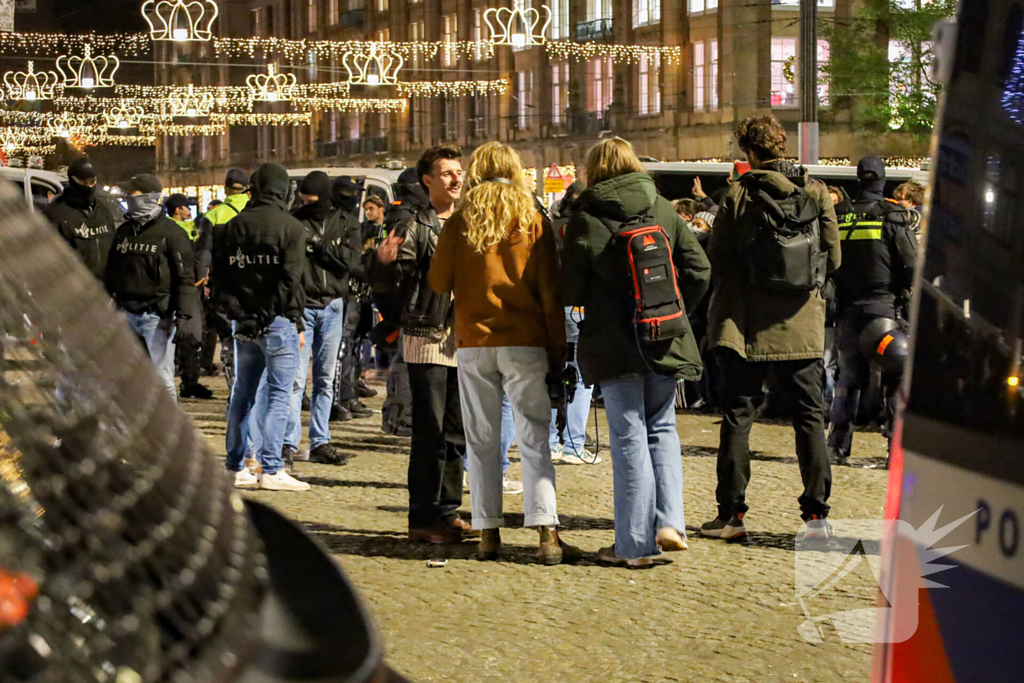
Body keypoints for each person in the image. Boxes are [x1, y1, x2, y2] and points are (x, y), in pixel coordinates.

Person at [429, 141, 580, 564]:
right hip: (525, 339)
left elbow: (439, 282)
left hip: (475, 341)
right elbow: (551, 293)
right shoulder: (532, 218)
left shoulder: (461, 221)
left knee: (480, 440)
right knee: (534, 436)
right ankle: (546, 531)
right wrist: (557, 351)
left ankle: (488, 533)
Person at [562, 138, 711, 568]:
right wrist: (678, 312)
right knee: (662, 429)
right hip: (663, 335)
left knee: (628, 438)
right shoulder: (662, 207)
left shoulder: (586, 216)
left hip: (613, 343)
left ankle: (633, 545)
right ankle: (670, 524)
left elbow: (569, 289)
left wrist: (587, 316)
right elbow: (699, 269)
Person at [700, 115, 840, 542]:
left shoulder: (738, 195)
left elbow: (717, 257)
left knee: (738, 418)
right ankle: (816, 518)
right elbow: (833, 257)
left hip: (745, 327)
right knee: (810, 420)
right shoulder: (816, 192)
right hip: (802, 325)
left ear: (749, 151)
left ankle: (731, 516)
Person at [372, 143, 477, 545]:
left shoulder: (469, 222)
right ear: (428, 180)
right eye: (447, 173)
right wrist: (382, 264)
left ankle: (448, 510)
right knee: (430, 432)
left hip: (464, 338)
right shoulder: (415, 224)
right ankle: (423, 516)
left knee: (457, 430)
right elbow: (392, 287)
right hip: (427, 338)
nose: (456, 179)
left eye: (459, 172)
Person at [211, 162, 309, 492]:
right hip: (277, 321)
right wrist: (267, 315)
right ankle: (272, 468)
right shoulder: (292, 228)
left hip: (245, 323)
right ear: (284, 190)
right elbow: (290, 280)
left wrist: (243, 315)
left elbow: (220, 280)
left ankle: (235, 465)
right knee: (279, 396)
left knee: (242, 395)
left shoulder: (231, 227)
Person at [828, 156, 917, 466]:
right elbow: (912, 265)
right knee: (894, 376)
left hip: (848, 316)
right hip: (884, 317)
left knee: (847, 381)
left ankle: (837, 446)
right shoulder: (892, 215)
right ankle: (895, 450)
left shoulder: (840, 215)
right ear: (881, 179)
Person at [284, 171, 360, 467]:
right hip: (303, 305)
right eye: (303, 200)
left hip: (333, 306)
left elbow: (350, 261)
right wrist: (331, 252)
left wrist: (316, 245)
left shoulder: (346, 222)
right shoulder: (294, 221)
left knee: (325, 379)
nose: (306, 204)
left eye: (311, 200)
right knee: (295, 380)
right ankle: (289, 443)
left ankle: (320, 440)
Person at [105, 174, 202, 401]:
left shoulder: (172, 233)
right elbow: (112, 271)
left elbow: (185, 277)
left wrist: (186, 316)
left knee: (161, 377)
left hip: (157, 316)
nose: (128, 197)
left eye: (133, 194)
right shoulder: (125, 231)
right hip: (125, 313)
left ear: (150, 197)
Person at [195, 169, 251, 395]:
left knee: (229, 341)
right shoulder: (257, 212)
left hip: (223, 288)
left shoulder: (214, 215)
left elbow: (203, 255)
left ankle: (236, 392)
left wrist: (200, 282)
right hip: (253, 290)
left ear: (226, 189)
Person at [331, 176, 376, 422]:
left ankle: (347, 395)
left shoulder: (349, 222)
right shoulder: (337, 222)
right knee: (342, 350)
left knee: (350, 347)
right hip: (340, 292)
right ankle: (340, 398)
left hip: (352, 293)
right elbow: (351, 261)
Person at [165, 193, 214, 400]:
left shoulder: (190, 227)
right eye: (186, 207)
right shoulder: (171, 229)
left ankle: (190, 380)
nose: (189, 210)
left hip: (192, 287)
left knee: (193, 335)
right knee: (186, 335)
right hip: (181, 289)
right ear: (178, 210)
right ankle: (187, 381)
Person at [45, 157, 117, 281]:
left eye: (92, 181)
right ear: (72, 180)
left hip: (104, 291)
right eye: (84, 182)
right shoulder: (57, 212)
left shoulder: (103, 211)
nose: (88, 186)